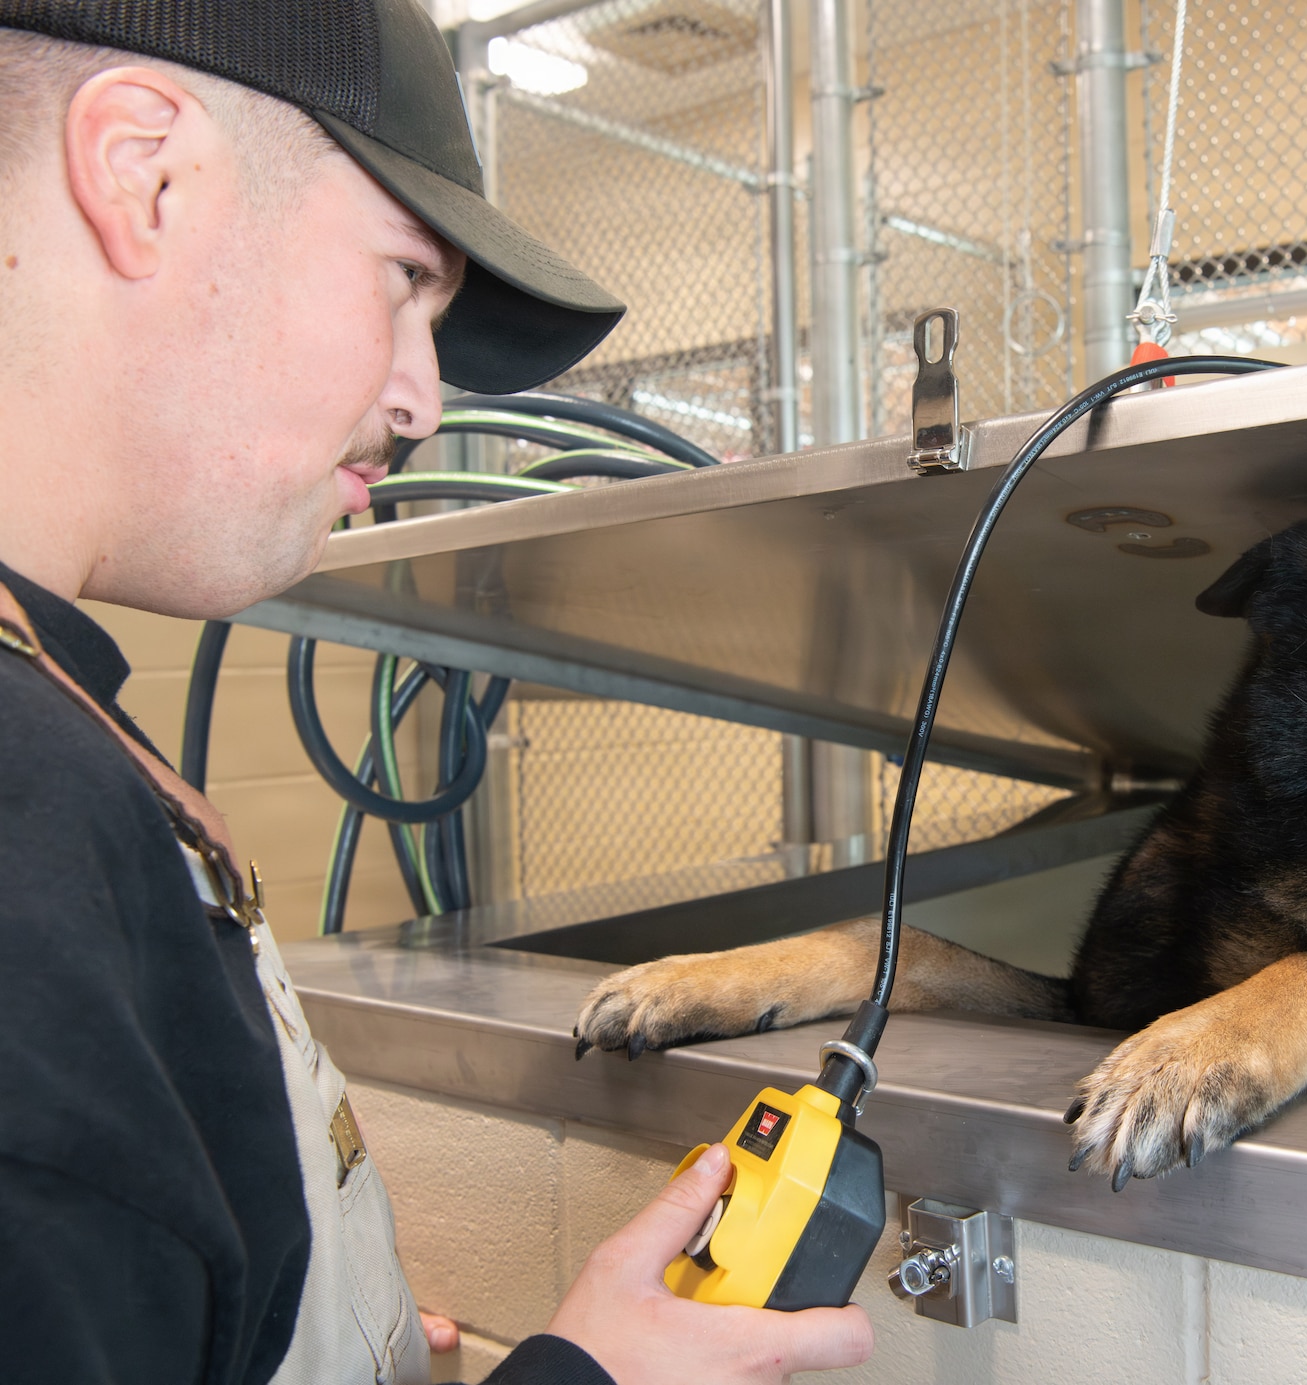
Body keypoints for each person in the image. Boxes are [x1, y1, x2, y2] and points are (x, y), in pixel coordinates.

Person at [0, 2, 874, 1382]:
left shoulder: (53, 711)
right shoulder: (21, 819)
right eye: (404, 279)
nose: (421, 397)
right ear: (142, 171)